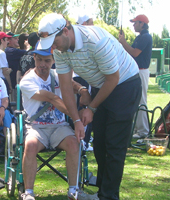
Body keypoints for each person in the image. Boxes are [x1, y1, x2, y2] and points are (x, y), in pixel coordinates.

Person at [37, 13, 141, 200]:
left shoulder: (95, 41)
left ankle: (108, 197)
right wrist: (76, 119)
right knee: (100, 144)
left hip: (125, 85)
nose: (53, 47)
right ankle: (103, 193)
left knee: (114, 146)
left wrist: (91, 108)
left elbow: (113, 79)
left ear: (66, 31)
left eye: (55, 41)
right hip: (103, 87)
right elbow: (67, 88)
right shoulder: (60, 51)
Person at [19, 44, 97, 200]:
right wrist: (76, 118)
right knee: (30, 145)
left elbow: (71, 84)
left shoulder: (56, 74)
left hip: (59, 126)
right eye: (39, 59)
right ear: (34, 58)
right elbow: (52, 98)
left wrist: (82, 90)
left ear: (53, 60)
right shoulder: (27, 81)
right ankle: (28, 193)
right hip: (36, 126)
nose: (42, 64)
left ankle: (74, 191)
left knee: (74, 143)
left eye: (47, 61)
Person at [119, 14, 152, 139]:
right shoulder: (140, 37)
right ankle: (138, 129)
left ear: (142, 23)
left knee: (141, 100)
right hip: (136, 71)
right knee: (135, 100)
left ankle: (143, 131)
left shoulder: (146, 37)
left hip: (142, 71)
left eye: (135, 23)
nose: (133, 25)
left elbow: (134, 53)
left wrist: (123, 41)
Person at [5, 32, 26, 102]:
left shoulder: (14, 51)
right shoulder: (10, 51)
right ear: (9, 41)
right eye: (15, 38)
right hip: (13, 86)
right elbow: (27, 52)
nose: (17, 40)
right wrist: (28, 46)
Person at [0, 32, 13, 96]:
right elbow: (5, 72)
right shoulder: (1, 53)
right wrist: (10, 85)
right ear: (2, 40)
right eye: (6, 40)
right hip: (1, 81)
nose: (7, 42)